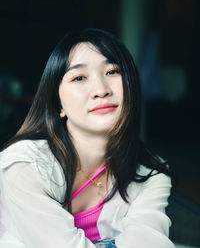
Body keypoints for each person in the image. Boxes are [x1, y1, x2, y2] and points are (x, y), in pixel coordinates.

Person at [0, 28, 175, 248]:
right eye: (79, 77)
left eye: (112, 72)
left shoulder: (150, 172)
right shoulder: (24, 164)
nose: (101, 90)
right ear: (58, 104)